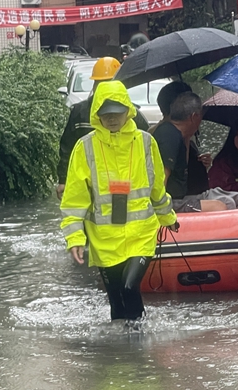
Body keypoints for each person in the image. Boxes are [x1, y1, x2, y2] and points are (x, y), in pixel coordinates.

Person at [60, 80, 177, 324]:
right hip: (104, 239)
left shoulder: (145, 142)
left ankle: (140, 341)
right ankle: (123, 357)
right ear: (97, 114)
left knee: (128, 285)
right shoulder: (85, 147)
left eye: (117, 112)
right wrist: (75, 237)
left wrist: (169, 218)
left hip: (141, 235)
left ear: (128, 110)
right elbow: (74, 199)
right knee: (115, 299)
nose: (112, 118)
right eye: (105, 114)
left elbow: (156, 189)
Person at [56, 57, 149, 199]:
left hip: (121, 182)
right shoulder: (129, 113)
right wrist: (63, 180)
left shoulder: (131, 114)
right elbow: (67, 148)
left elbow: (145, 151)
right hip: (91, 180)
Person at [152, 91, 238, 212]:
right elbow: (162, 177)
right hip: (171, 202)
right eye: (200, 117)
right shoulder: (169, 136)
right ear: (194, 117)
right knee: (221, 206)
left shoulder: (181, 135)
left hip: (186, 195)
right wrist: (161, 210)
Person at [150, 81, 210, 196]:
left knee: (235, 198)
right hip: (178, 199)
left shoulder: (182, 134)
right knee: (224, 203)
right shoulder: (167, 134)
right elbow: (162, 178)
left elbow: (184, 169)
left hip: (191, 193)